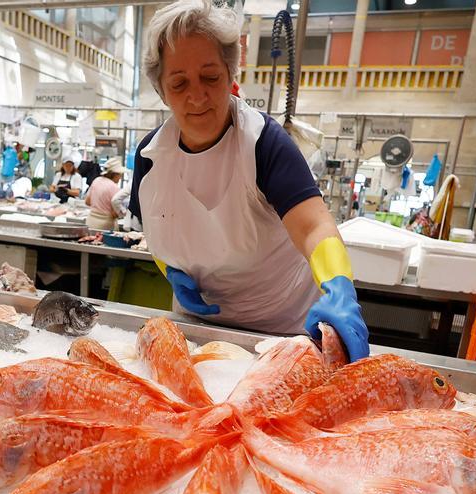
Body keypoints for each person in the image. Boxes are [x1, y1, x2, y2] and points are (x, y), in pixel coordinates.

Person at [128, 0, 369, 360]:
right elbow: (157, 229)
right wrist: (172, 271)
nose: (197, 96)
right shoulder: (151, 156)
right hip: (198, 333)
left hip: (281, 335)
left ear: (230, 74)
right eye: (179, 83)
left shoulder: (263, 143)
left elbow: (313, 225)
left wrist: (339, 289)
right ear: (162, 91)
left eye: (210, 77)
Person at [85, 157, 125, 230]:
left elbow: (87, 202)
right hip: (105, 226)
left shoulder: (96, 180)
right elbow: (114, 214)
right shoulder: (114, 188)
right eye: (120, 175)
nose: (120, 177)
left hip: (90, 222)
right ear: (115, 174)